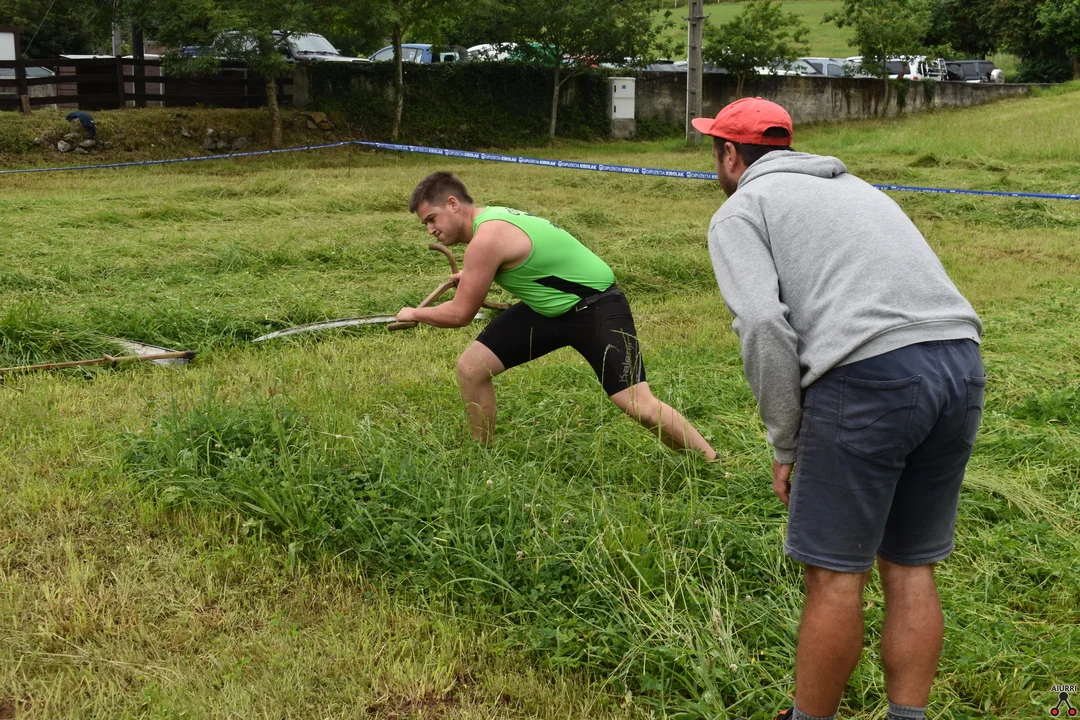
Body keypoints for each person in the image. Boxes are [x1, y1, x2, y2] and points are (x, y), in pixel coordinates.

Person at [694, 99, 985, 720]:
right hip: (960, 364)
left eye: (714, 153)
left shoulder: (743, 208)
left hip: (870, 377)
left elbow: (764, 327)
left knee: (834, 576)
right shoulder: (860, 189)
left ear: (729, 154)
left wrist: (786, 442)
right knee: (910, 566)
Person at [396, 171, 717, 460]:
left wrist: (416, 313)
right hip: (548, 310)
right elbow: (522, 258)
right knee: (471, 368)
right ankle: (481, 457)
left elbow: (460, 314)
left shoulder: (486, 239)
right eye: (425, 224)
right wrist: (473, 275)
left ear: (453, 204)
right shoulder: (491, 220)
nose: (430, 229)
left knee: (637, 404)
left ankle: (711, 462)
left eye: (432, 219)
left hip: (597, 307)